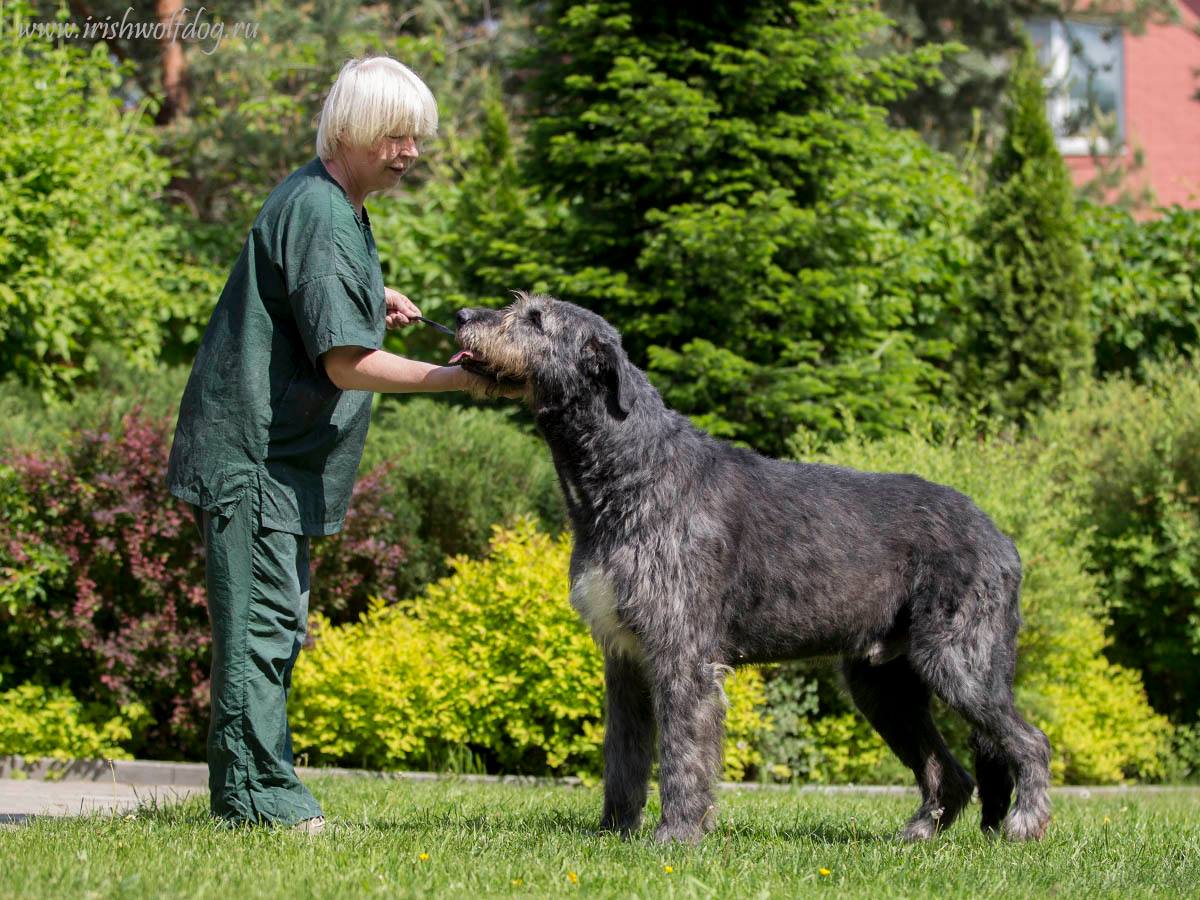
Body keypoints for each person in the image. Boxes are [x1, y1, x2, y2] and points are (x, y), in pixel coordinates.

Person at [165, 56, 516, 833]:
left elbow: (316, 302)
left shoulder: (338, 206)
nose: (412, 152)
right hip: (253, 460)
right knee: (260, 629)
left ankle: (247, 794)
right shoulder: (322, 211)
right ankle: (260, 800)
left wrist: (370, 294)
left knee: (275, 624)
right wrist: (460, 379)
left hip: (278, 461)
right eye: (398, 135)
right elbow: (346, 364)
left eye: (416, 137)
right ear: (355, 131)